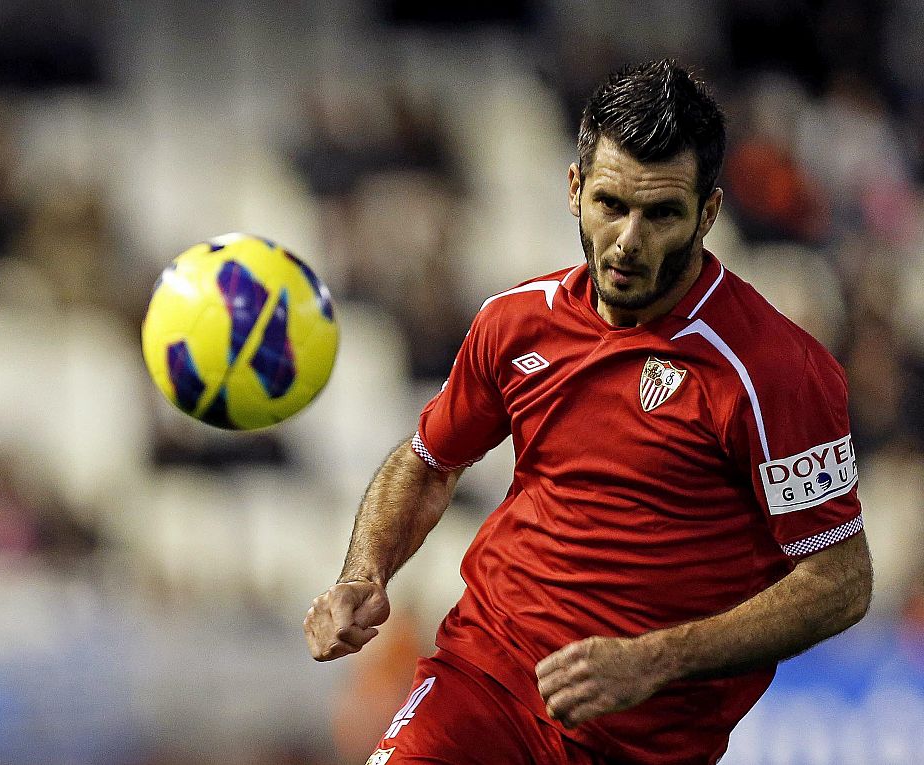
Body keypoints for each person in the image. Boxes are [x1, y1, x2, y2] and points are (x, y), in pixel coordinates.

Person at [303, 60, 872, 765]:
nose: (629, 239)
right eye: (611, 203)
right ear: (575, 189)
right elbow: (428, 462)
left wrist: (656, 659)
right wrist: (365, 572)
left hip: (641, 743)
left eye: (661, 213)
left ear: (710, 213)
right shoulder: (516, 323)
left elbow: (839, 580)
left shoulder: (775, 371)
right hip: (483, 683)